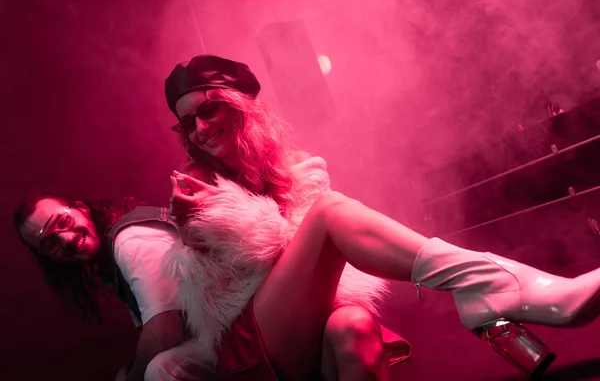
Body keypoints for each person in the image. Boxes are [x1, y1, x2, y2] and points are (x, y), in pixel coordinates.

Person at [163, 54, 600, 380]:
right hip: (250, 348)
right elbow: (262, 262)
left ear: (238, 106)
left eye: (208, 110)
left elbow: (326, 267)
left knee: (353, 325)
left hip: (310, 330)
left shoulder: (293, 167)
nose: (200, 128)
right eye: (187, 122)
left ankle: (493, 289)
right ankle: (498, 288)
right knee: (330, 213)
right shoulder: (197, 187)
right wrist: (206, 221)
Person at [14, 191, 410, 380]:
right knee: (352, 326)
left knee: (159, 371)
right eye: (49, 242)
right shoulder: (114, 261)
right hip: (260, 320)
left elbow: (165, 329)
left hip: (258, 321)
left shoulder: (129, 240)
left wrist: (129, 376)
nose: (64, 240)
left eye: (62, 223)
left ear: (81, 209)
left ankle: (463, 275)